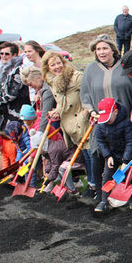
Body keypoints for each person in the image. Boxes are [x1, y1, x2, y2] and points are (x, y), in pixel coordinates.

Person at [81, 35, 132, 198]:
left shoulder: (123, 66)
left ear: (113, 50)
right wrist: (91, 111)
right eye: (98, 49)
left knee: (126, 157)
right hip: (101, 122)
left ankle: (128, 196)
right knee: (99, 155)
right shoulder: (90, 70)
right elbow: (85, 94)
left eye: (105, 48)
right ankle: (102, 196)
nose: (101, 52)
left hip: (125, 121)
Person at [41, 49, 91, 187]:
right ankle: (91, 185)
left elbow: (89, 95)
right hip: (69, 125)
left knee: (90, 154)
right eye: (53, 65)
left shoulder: (76, 77)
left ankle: (94, 186)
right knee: (84, 156)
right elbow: (61, 101)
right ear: (47, 68)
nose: (57, 67)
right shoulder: (53, 82)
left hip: (82, 121)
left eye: (59, 63)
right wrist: (57, 110)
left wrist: (86, 113)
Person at [94, 97, 132, 213]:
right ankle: (104, 200)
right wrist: (107, 155)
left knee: (130, 177)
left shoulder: (126, 123)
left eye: (109, 118)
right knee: (107, 176)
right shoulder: (101, 125)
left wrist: (126, 161)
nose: (107, 121)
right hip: (112, 154)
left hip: (126, 153)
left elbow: (130, 142)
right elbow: (100, 141)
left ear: (115, 111)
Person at [0, 41, 31, 129]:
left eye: (7, 54)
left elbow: (12, 94)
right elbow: (1, 90)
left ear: (14, 55)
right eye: (1, 54)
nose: (3, 56)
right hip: (7, 109)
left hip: (18, 108)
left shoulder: (19, 70)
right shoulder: (3, 69)